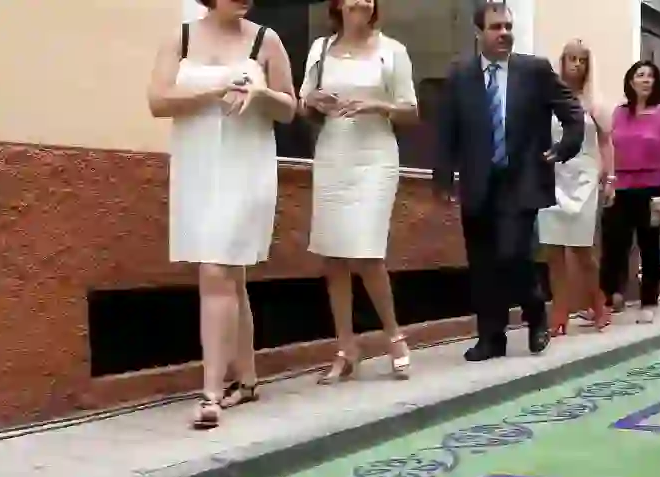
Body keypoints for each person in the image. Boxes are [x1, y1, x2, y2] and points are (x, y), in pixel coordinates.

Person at [149, 0, 296, 429]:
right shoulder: (182, 37)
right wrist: (215, 91)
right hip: (197, 168)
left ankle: (211, 392)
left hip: (246, 168)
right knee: (231, 277)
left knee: (215, 271)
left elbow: (290, 109)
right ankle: (247, 379)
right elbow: (158, 100)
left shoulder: (267, 39)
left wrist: (261, 93)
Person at [433, 2, 584, 361]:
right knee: (483, 263)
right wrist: (442, 178)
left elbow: (573, 114)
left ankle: (535, 313)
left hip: (522, 180)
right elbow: (447, 131)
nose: (504, 33)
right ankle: (491, 338)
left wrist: (563, 148)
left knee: (513, 253)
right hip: (478, 180)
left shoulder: (534, 70)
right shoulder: (460, 74)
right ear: (478, 33)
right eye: (496, 27)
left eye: (508, 26)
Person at [303, 0, 418, 385]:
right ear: (337, 4)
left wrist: (377, 104)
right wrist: (313, 101)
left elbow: (411, 111)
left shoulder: (393, 51)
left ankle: (394, 336)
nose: (362, 2)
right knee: (333, 256)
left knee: (367, 252)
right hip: (333, 153)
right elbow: (305, 103)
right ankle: (346, 348)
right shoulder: (320, 49)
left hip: (375, 157)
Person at [599, 61, 660, 324]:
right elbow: (608, 147)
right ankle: (611, 296)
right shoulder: (619, 113)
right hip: (621, 188)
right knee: (614, 244)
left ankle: (649, 300)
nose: (646, 80)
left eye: (651, 76)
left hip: (652, 188)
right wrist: (608, 181)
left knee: (649, 245)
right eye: (640, 75)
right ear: (631, 81)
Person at [537, 40, 614, 336]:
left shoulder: (594, 103)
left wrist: (609, 179)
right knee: (553, 250)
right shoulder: (549, 100)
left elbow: (606, 143)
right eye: (571, 59)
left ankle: (598, 301)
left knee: (583, 250)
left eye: (582, 60)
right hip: (554, 175)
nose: (576, 65)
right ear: (562, 61)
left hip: (584, 176)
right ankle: (559, 311)